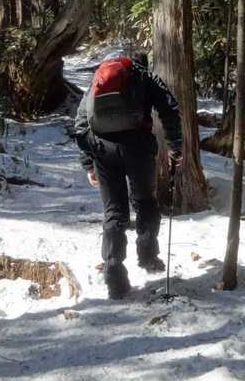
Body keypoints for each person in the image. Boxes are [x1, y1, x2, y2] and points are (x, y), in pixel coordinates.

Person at [73, 51, 184, 299]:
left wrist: (89, 163)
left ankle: (114, 274)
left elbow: (80, 123)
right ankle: (148, 256)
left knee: (114, 211)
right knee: (145, 201)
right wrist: (175, 147)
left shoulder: (99, 79)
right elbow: (169, 108)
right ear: (141, 63)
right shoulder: (145, 76)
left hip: (102, 148)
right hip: (138, 147)